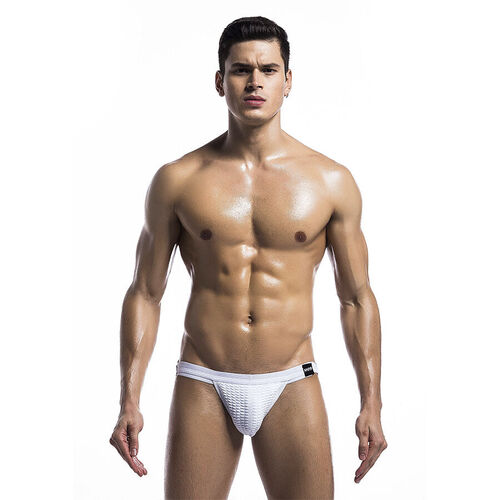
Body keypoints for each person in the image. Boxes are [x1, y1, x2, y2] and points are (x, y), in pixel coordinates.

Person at [109, 16, 387, 499]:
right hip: (204, 378)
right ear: (220, 81)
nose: (255, 81)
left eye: (268, 69)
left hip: (291, 379)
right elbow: (146, 293)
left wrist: (372, 402)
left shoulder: (330, 182)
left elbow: (357, 298)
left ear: (288, 80)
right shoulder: (178, 180)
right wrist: (128, 398)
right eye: (241, 70)